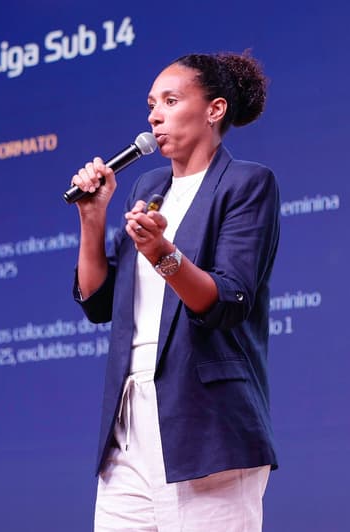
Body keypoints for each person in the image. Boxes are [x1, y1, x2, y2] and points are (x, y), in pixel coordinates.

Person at [70, 50, 280, 531]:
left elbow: (227, 300)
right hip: (128, 428)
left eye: (170, 99)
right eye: (150, 104)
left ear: (214, 109)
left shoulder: (248, 184)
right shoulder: (147, 184)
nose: (154, 115)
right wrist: (92, 217)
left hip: (207, 428)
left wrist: (164, 253)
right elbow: (99, 303)